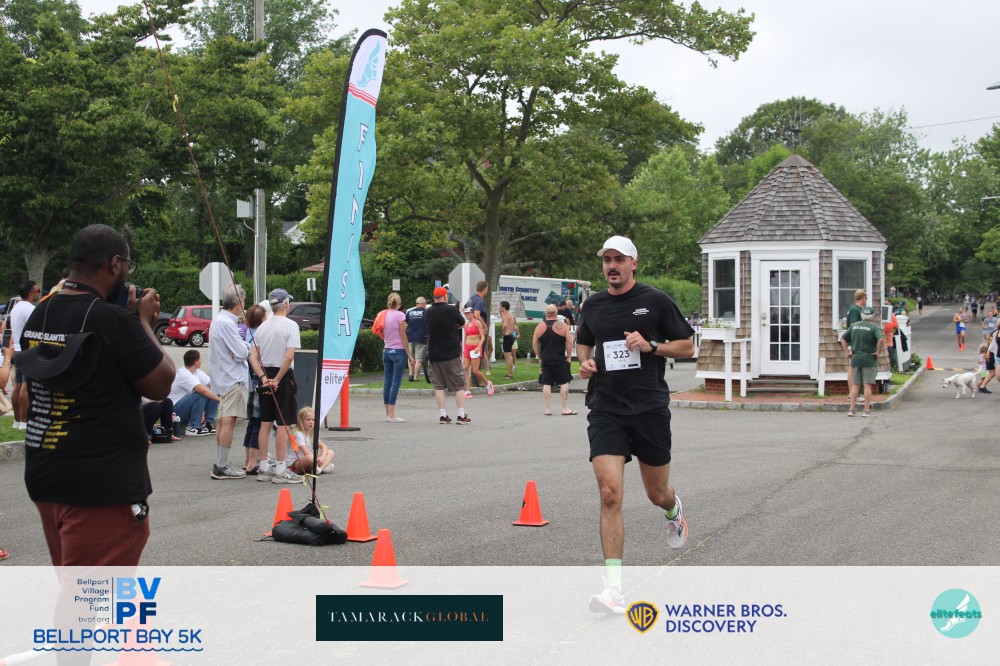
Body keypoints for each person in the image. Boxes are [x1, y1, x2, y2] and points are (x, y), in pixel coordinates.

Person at [18, 223, 174, 566]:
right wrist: (143, 322)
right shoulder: (112, 321)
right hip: (101, 485)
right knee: (94, 595)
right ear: (115, 264)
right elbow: (161, 384)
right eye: (128, 266)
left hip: (47, 472)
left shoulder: (41, 312)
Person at [576, 235, 695, 614]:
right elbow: (584, 342)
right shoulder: (593, 305)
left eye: (619, 259)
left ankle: (673, 510)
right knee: (609, 493)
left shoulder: (655, 301)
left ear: (633, 263)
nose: (612, 265)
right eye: (607, 259)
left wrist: (652, 346)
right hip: (606, 407)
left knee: (656, 493)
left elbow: (688, 345)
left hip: (649, 408)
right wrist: (584, 362)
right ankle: (613, 589)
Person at [208, 284, 263, 480]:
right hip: (233, 378)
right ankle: (222, 466)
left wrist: (243, 347)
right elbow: (241, 352)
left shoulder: (219, 320)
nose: (244, 304)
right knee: (228, 421)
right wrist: (247, 348)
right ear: (238, 301)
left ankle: (220, 463)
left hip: (224, 377)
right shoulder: (226, 323)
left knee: (223, 420)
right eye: (244, 300)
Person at [255, 288, 303, 483]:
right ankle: (281, 468)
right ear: (286, 304)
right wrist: (277, 379)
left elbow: (253, 356)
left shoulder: (262, 327)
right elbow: (289, 355)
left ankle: (264, 466)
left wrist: (263, 377)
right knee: (284, 423)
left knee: (266, 422)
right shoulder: (291, 325)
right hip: (282, 375)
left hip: (266, 373)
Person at [424, 286, 471, 424]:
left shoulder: (428, 312)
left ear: (434, 297)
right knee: (458, 384)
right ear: (445, 296)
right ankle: (461, 415)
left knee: (439, 386)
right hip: (451, 353)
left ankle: (442, 415)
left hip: (434, 353)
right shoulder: (451, 310)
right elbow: (462, 323)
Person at [532, 303, 576, 416]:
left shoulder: (539, 327)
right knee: (564, 383)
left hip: (545, 359)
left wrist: (540, 357)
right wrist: (569, 357)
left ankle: (548, 409)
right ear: (556, 313)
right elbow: (570, 343)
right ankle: (565, 408)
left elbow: (534, 344)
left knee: (546, 383)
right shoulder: (563, 326)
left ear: (546, 314)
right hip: (560, 359)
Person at [840, 305, 884, 417]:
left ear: (862, 314)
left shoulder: (854, 325)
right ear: (872, 316)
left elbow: (843, 338)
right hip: (869, 358)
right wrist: (878, 352)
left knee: (855, 385)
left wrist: (847, 352)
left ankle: (852, 409)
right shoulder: (874, 327)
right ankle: (866, 410)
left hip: (855, 358)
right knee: (867, 385)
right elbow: (880, 339)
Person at [9, 280, 41, 429]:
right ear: (30, 294)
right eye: (38, 291)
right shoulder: (30, 309)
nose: (39, 293)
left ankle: (17, 421)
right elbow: (34, 330)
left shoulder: (15, 308)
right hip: (27, 350)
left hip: (17, 349)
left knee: (18, 385)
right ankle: (25, 421)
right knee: (26, 385)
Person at [168, 349, 220, 436]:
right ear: (196, 362)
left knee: (212, 392)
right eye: (200, 359)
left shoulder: (197, 373)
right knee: (200, 394)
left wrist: (224, 393)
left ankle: (208, 425)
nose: (201, 361)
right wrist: (221, 400)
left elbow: (213, 385)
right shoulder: (183, 374)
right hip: (175, 412)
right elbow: (201, 390)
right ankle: (193, 427)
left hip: (185, 409)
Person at [242, 304, 267, 473]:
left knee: (252, 421)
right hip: (258, 380)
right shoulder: (259, 336)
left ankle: (248, 460)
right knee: (259, 421)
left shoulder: (248, 334)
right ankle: (252, 462)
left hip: (249, 381)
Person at [381, 292, 413, 422]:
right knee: (395, 382)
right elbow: (403, 336)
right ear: (399, 303)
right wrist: (409, 355)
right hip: (398, 350)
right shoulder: (401, 315)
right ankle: (392, 414)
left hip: (387, 349)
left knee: (387, 381)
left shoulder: (384, 314)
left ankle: (387, 413)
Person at [287, 407, 335, 475]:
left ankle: (320, 469)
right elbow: (307, 453)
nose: (311, 422)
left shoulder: (311, 433)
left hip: (309, 460)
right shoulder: (298, 434)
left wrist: (322, 457)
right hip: (295, 464)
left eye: (313, 420)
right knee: (311, 458)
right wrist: (318, 459)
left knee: (330, 452)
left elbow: (323, 446)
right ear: (301, 421)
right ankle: (321, 467)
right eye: (308, 420)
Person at [462, 307, 492, 397]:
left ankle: (487, 383)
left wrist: (479, 347)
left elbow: (482, 336)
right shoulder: (466, 325)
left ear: (472, 313)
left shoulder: (477, 323)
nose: (467, 315)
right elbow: (465, 337)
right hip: (467, 347)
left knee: (475, 370)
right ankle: (468, 390)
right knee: (466, 368)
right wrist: (464, 348)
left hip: (475, 347)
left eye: (468, 313)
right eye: (465, 314)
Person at [466, 280, 491, 376]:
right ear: (484, 289)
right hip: (477, 330)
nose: (487, 291)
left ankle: (473, 376)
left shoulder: (471, 299)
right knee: (478, 354)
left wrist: (470, 322)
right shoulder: (479, 300)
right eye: (487, 289)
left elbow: (464, 309)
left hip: (471, 330)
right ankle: (476, 378)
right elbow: (477, 314)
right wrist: (484, 325)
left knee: (472, 355)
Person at [405, 296, 429, 382]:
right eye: (425, 303)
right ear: (422, 304)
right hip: (421, 337)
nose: (425, 305)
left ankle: (410, 374)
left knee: (410, 356)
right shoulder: (426, 312)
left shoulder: (409, 312)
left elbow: (406, 324)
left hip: (410, 337)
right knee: (419, 358)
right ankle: (415, 377)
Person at [499, 300, 518, 379]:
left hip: (507, 336)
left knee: (508, 356)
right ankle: (509, 373)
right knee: (509, 356)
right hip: (511, 336)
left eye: (500, 306)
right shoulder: (511, 315)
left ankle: (510, 375)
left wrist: (503, 333)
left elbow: (505, 325)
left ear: (503, 307)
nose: (499, 307)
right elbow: (514, 326)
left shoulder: (506, 315)